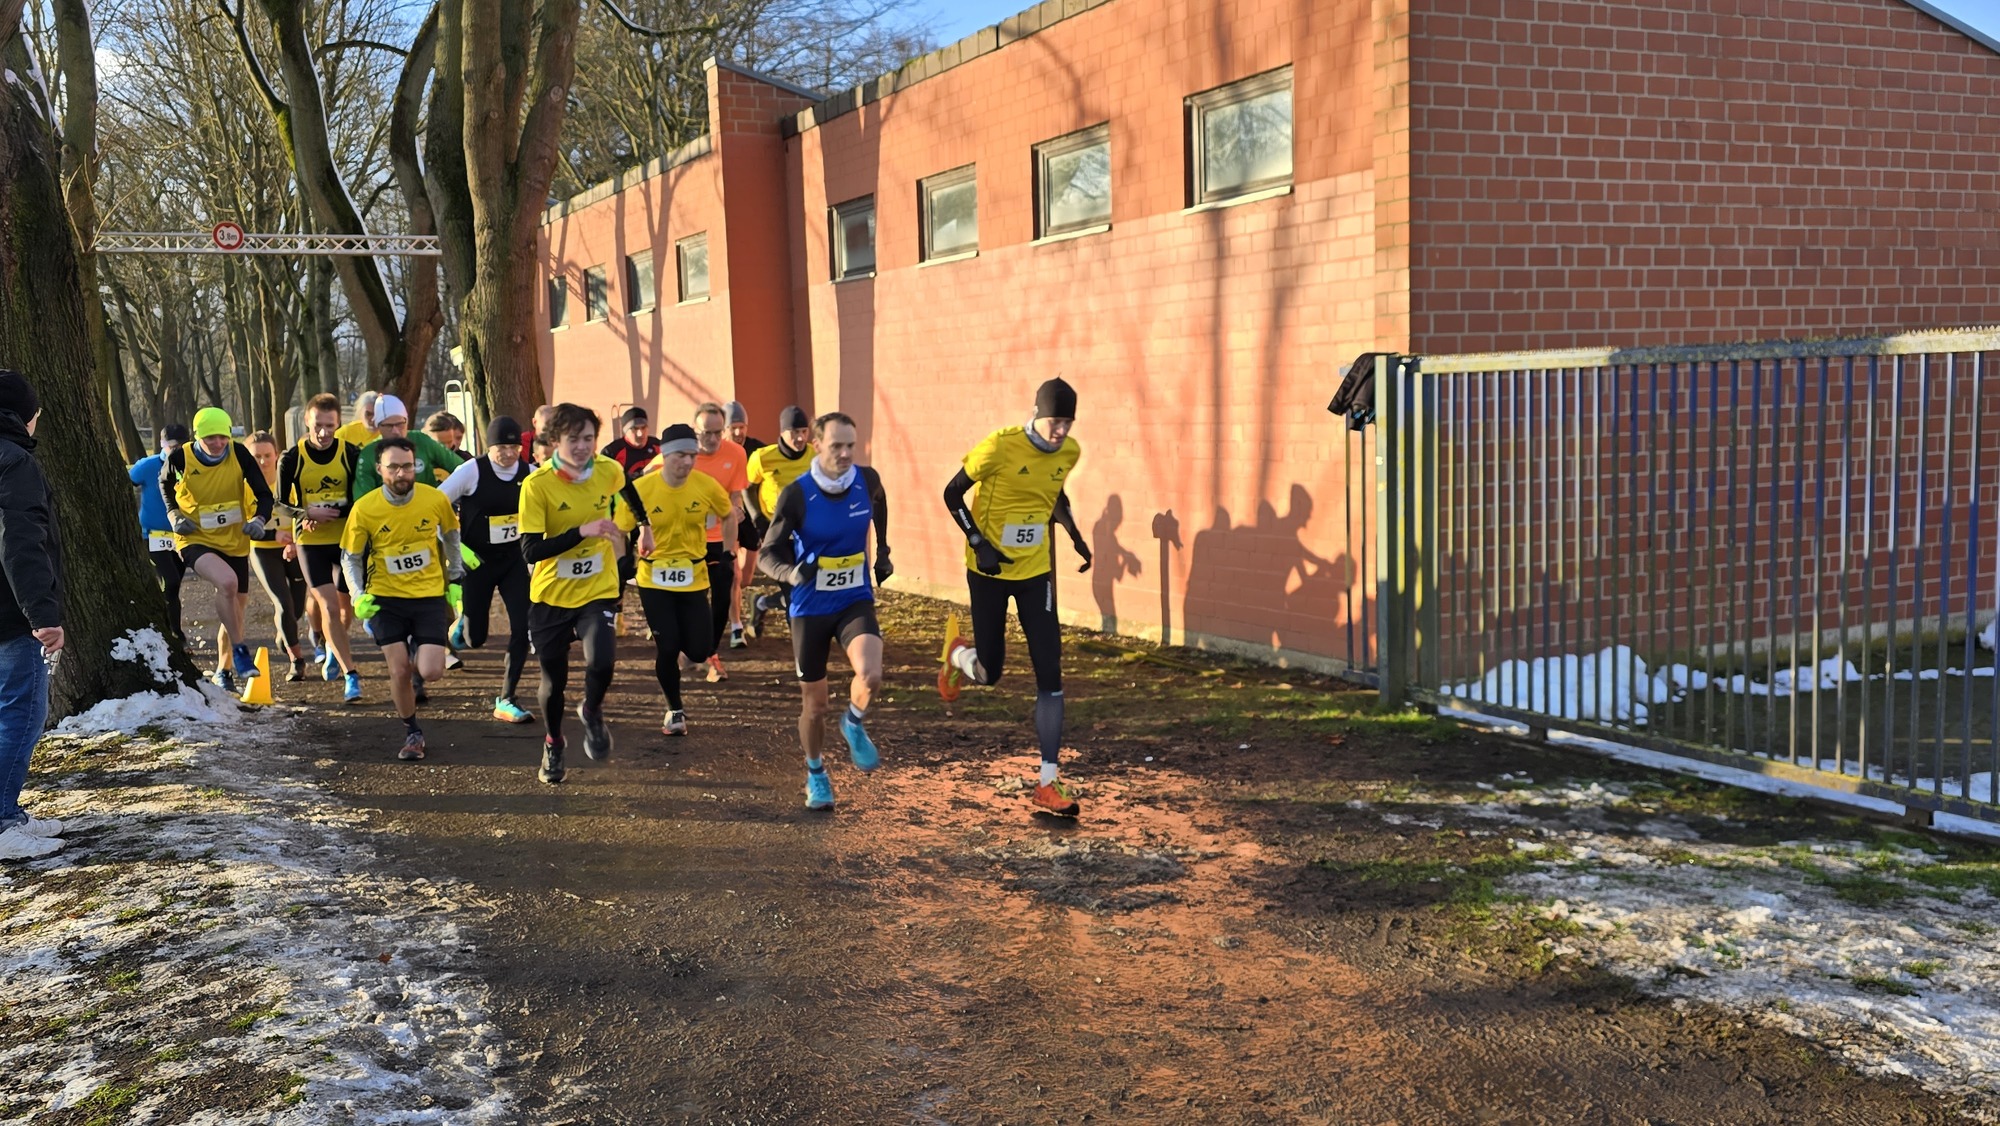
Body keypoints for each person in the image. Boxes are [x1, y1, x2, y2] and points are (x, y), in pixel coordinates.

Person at [938, 377, 1093, 817]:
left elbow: (1053, 494)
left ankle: (1047, 782)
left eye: (1067, 423)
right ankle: (957, 655)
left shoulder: (1069, 452)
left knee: (1051, 670)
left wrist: (1075, 535)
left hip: (1035, 572)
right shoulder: (1000, 447)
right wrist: (978, 542)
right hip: (988, 570)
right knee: (990, 673)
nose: (1060, 431)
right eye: (1054, 421)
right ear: (1036, 413)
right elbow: (952, 493)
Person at [757, 412, 891, 811]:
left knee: (871, 675)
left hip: (853, 598)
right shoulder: (797, 494)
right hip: (810, 606)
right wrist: (790, 573)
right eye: (837, 446)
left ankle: (853, 722)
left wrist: (883, 551)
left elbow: (879, 504)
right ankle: (815, 773)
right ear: (817, 445)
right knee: (815, 707)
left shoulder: (867, 480)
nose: (846, 454)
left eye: (851, 445)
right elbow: (767, 553)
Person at [518, 403, 628, 784]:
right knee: (553, 683)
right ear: (555, 440)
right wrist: (581, 532)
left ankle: (592, 711)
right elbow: (530, 551)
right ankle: (554, 742)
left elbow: (626, 487)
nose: (583, 446)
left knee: (602, 660)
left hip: (597, 588)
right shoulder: (536, 486)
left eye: (589, 438)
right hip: (551, 596)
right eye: (573, 439)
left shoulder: (607, 470)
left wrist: (643, 525)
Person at [341, 436, 465, 761]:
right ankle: (412, 732)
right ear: (379, 469)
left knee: (432, 671)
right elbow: (350, 558)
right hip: (385, 598)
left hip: (428, 596)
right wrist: (358, 596)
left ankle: (414, 650)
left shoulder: (434, 499)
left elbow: (452, 537)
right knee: (398, 671)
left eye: (408, 466)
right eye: (394, 467)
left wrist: (455, 579)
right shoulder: (365, 508)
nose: (401, 473)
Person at [619, 423, 732, 736]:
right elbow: (619, 527)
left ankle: (684, 647)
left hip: (694, 577)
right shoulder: (643, 488)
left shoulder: (705, 485)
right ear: (665, 455)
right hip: (653, 578)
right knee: (667, 647)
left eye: (692, 455)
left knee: (699, 650)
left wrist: (728, 553)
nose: (688, 461)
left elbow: (729, 515)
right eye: (681, 455)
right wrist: (623, 561)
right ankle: (675, 711)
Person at [159, 406, 273, 691]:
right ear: (198, 436)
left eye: (223, 437)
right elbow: (164, 483)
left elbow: (264, 494)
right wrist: (174, 515)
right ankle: (241, 651)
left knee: (235, 608)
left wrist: (259, 519)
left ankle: (224, 669)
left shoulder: (239, 454)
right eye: (210, 438)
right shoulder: (180, 457)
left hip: (234, 540)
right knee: (227, 582)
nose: (218, 443)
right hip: (195, 538)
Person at [0, 371, 66, 860]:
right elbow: (21, 539)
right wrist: (42, 612)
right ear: (26, 415)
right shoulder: (14, 460)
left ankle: (10, 812)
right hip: (11, 613)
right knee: (22, 713)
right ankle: (2, 822)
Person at [438, 415, 535, 724]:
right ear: (489, 447)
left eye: (513, 448)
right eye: (501, 448)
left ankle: (507, 698)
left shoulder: (530, 474)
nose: (507, 454)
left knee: (523, 626)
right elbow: (436, 505)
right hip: (476, 563)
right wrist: (456, 547)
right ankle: (460, 627)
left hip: (512, 562)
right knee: (475, 639)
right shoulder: (471, 471)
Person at [279, 392, 363, 703]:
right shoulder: (292, 458)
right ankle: (351, 675)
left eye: (330, 425)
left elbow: (361, 500)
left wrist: (333, 513)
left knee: (344, 608)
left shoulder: (350, 454)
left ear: (338, 424)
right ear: (307, 421)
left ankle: (330, 646)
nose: (324, 432)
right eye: (318, 425)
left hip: (345, 540)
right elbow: (280, 503)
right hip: (310, 542)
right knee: (327, 606)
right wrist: (306, 514)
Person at [685, 402, 747, 681]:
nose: (712, 439)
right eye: (705, 433)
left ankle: (710, 653)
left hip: (721, 537)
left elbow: (735, 493)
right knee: (693, 598)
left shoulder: (736, 453)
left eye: (717, 432)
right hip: (686, 540)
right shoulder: (682, 454)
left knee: (722, 597)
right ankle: (690, 648)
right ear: (694, 430)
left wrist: (736, 509)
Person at [245, 432, 313, 680]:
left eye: (267, 455)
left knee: (296, 610)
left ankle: (285, 633)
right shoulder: (244, 486)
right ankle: (297, 661)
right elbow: (240, 525)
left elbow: (303, 514)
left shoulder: (289, 481)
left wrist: (294, 541)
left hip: (294, 548)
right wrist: (273, 535)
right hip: (263, 550)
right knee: (283, 604)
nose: (263, 462)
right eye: (257, 457)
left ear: (276, 455)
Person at [743, 406, 812, 641]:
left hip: (806, 533)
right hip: (776, 533)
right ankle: (802, 651)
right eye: (794, 432)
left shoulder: (815, 457)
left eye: (804, 432)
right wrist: (758, 518)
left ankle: (762, 602)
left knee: (808, 590)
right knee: (795, 591)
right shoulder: (762, 457)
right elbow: (747, 488)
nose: (800, 438)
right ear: (782, 432)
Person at [129, 424, 190, 642]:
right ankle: (175, 633)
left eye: (180, 446)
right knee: (170, 581)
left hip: (181, 536)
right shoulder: (148, 465)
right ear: (162, 444)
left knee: (174, 586)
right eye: (171, 445)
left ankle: (170, 629)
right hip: (153, 536)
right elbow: (125, 481)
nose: (175, 450)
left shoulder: (192, 465)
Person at [353, 394, 465, 495]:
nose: (396, 431)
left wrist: (443, 496)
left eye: (400, 424)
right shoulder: (368, 454)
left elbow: (463, 469)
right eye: (388, 426)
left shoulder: (422, 441)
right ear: (378, 426)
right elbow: (363, 500)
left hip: (428, 508)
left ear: (407, 421)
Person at [724, 401, 763, 650]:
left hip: (751, 517)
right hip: (726, 516)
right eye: (733, 427)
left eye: (742, 426)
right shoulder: (717, 450)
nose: (739, 432)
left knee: (746, 578)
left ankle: (743, 603)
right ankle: (736, 627)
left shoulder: (758, 450)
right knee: (734, 576)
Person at [601, 407, 660, 480]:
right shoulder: (612, 453)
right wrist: (642, 474)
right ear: (625, 431)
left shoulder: (658, 446)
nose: (640, 434)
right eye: (634, 429)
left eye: (643, 427)